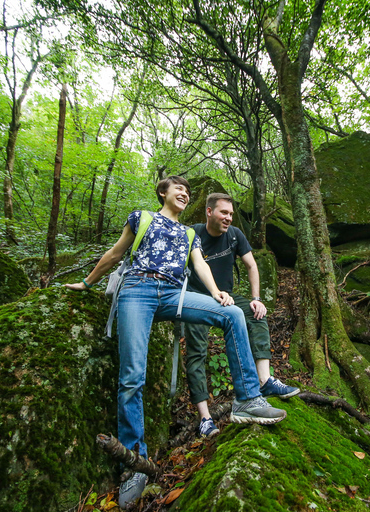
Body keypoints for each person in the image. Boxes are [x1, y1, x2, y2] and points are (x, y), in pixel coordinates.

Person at [65, 177, 286, 508]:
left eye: (187, 191)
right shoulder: (141, 218)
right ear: (162, 193)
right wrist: (86, 282)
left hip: (173, 294)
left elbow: (199, 264)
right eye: (177, 189)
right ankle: (134, 463)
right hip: (136, 290)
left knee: (233, 315)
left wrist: (216, 293)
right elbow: (115, 253)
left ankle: (247, 398)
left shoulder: (190, 234)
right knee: (132, 376)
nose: (184, 193)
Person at [185, 193, 300, 438]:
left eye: (231, 214)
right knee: (197, 351)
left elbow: (252, 265)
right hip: (197, 297)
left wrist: (256, 299)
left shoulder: (235, 234)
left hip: (226, 296)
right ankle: (205, 418)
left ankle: (265, 380)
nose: (228, 218)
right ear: (208, 211)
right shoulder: (192, 233)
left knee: (256, 313)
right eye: (223, 213)